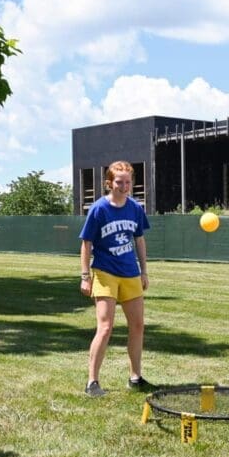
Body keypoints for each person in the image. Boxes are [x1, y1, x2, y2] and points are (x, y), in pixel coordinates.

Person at [79, 160, 151, 397]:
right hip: (104, 272)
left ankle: (135, 377)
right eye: (119, 182)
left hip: (130, 272)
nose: (124, 186)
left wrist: (144, 271)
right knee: (106, 326)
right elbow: (86, 243)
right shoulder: (99, 209)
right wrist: (85, 276)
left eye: (128, 182)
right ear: (109, 183)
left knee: (138, 325)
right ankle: (92, 382)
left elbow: (139, 239)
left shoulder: (135, 208)